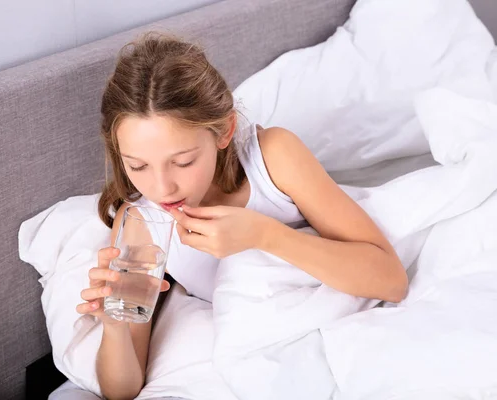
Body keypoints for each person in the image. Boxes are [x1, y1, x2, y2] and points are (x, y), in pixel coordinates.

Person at [75, 31, 407, 400]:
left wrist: (264, 235)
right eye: (138, 166)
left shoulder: (273, 158)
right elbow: (122, 391)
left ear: (224, 131)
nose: (162, 188)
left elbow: (391, 279)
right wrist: (116, 327)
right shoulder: (140, 225)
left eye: (183, 161)